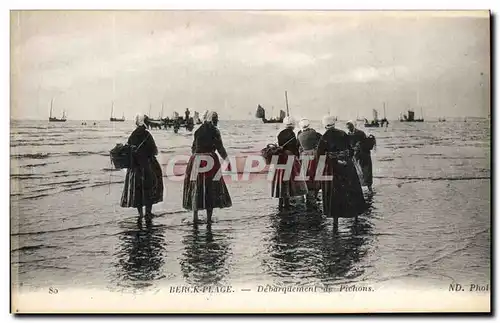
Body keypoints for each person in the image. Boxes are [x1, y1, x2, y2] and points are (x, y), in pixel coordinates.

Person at [182, 111, 232, 224]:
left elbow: (193, 148)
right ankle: (209, 219)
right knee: (211, 188)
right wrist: (227, 161)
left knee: (196, 187)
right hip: (209, 161)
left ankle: (195, 217)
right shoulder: (215, 131)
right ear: (212, 119)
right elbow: (220, 148)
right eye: (216, 119)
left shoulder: (198, 131)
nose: (217, 121)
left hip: (195, 160)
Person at [316, 116, 365, 229]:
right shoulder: (343, 134)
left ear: (325, 125)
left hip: (332, 167)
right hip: (346, 165)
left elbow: (319, 155)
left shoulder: (324, 137)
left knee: (334, 194)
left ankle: (335, 222)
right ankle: (355, 216)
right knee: (352, 189)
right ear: (334, 124)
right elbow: (351, 150)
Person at [121, 114, 164, 220]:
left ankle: (140, 214)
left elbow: (129, 148)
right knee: (150, 188)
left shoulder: (133, 134)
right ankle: (148, 213)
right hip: (147, 165)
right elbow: (154, 150)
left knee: (137, 191)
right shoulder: (147, 134)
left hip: (135, 167)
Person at [271, 116, 308, 209]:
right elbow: (294, 148)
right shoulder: (292, 134)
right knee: (289, 182)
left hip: (280, 158)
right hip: (289, 158)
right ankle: (287, 204)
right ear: (293, 125)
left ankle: (280, 203)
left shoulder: (280, 134)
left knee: (281, 181)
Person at [297, 118, 322, 206]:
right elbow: (321, 140)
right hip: (314, 155)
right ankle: (314, 195)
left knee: (305, 175)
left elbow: (298, 146)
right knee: (315, 175)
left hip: (304, 156)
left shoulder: (299, 135)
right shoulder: (314, 133)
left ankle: (306, 195)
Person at [346, 121, 373, 192]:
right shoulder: (349, 134)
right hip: (357, 155)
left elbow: (363, 143)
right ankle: (361, 188)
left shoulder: (360, 133)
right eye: (348, 128)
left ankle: (369, 188)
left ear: (353, 126)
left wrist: (357, 147)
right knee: (358, 172)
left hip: (364, 155)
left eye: (350, 127)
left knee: (366, 171)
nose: (348, 129)